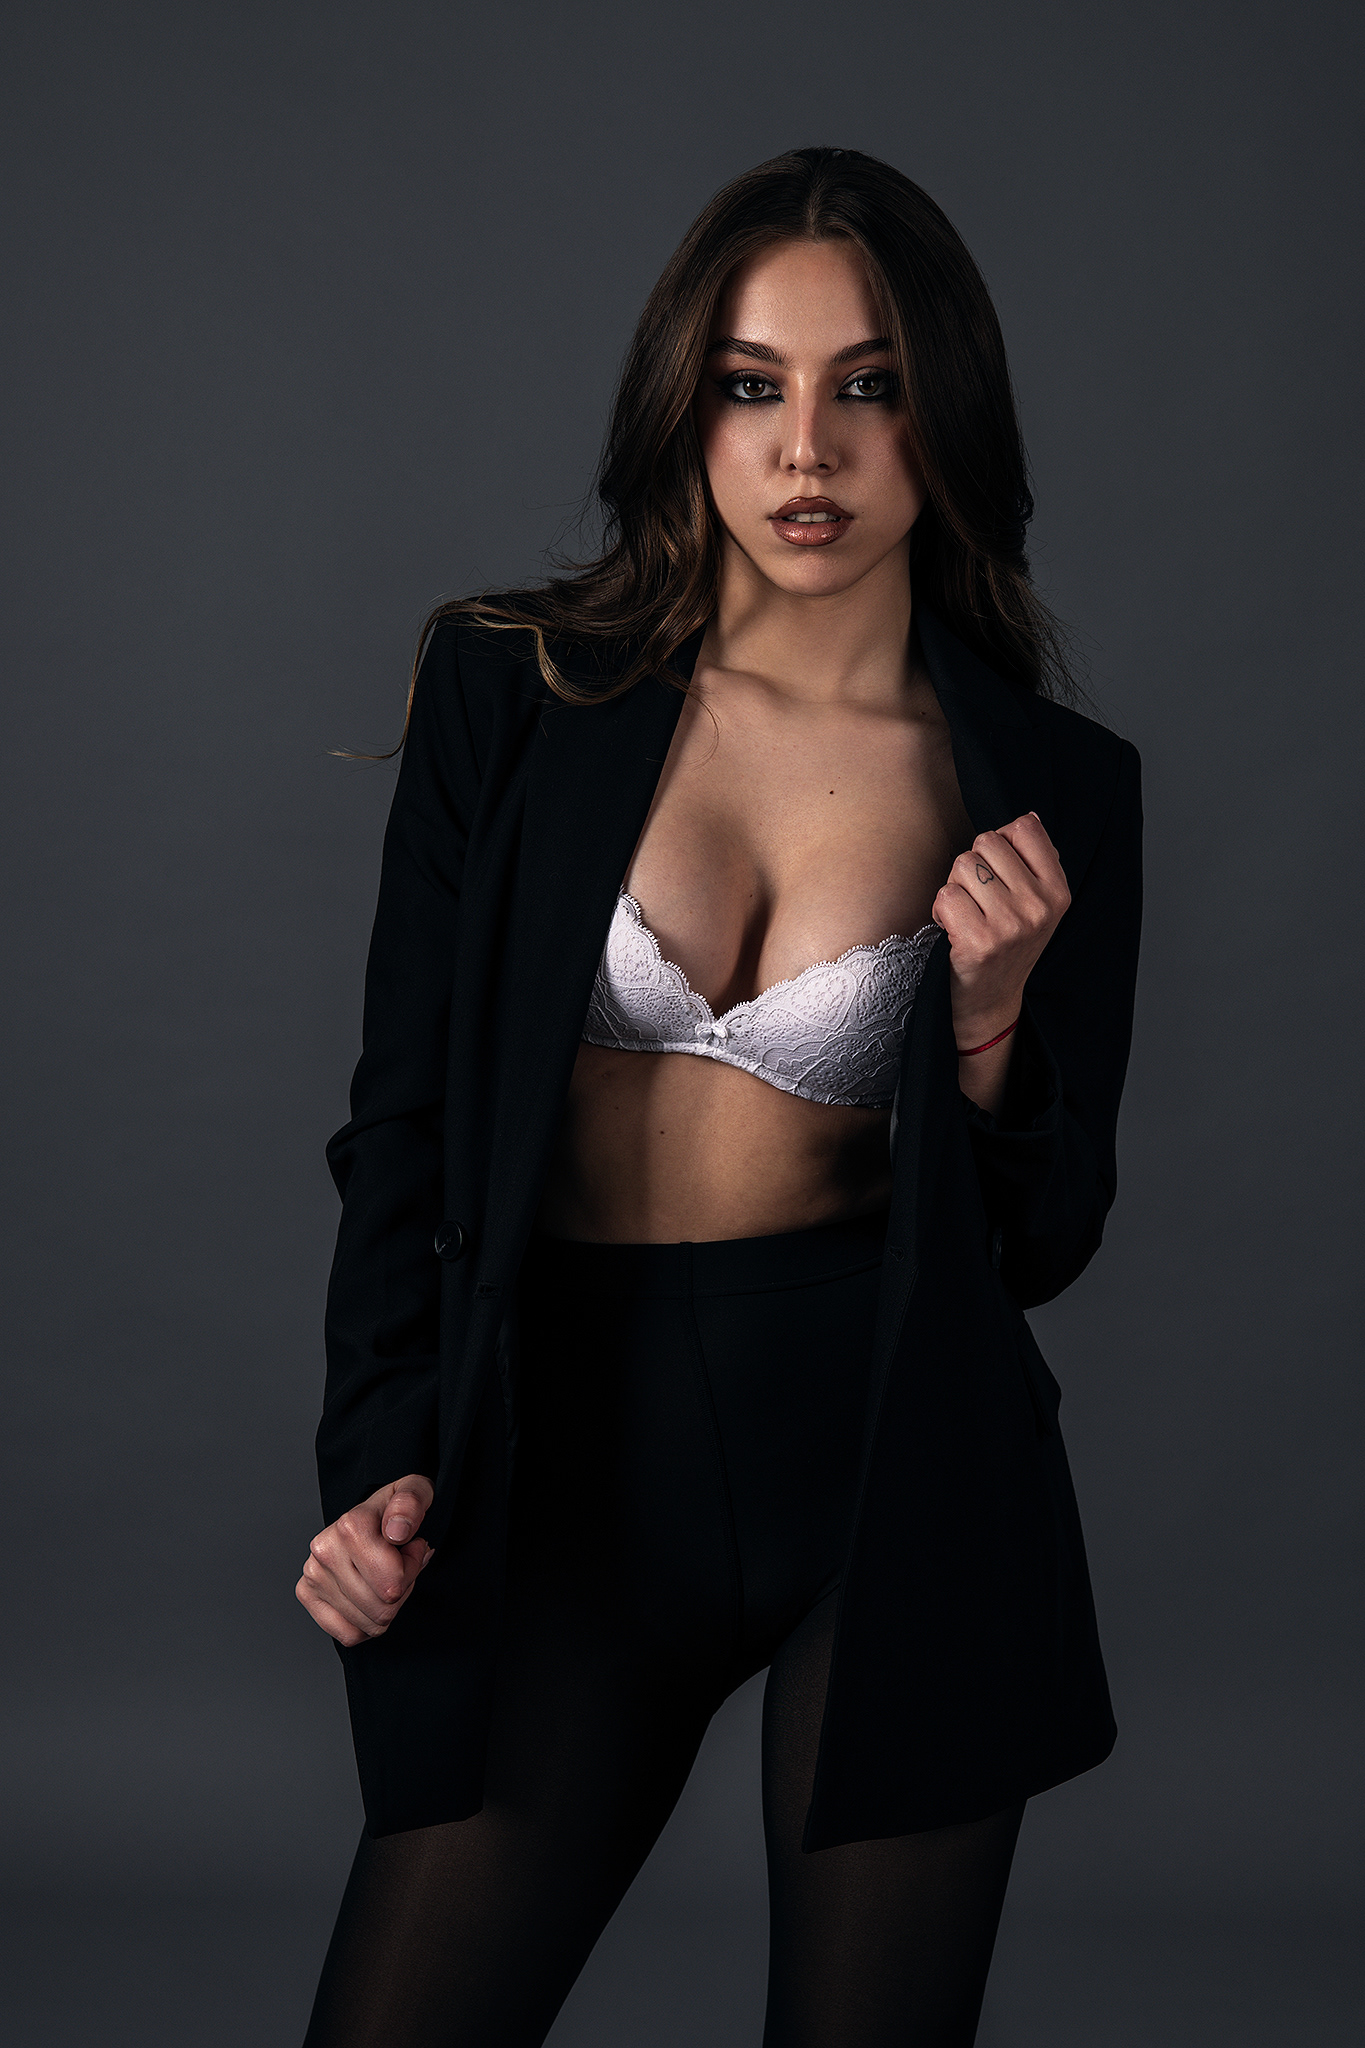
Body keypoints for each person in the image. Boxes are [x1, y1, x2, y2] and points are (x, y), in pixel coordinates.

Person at [295, 146, 1142, 2048]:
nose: (805, 449)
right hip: (565, 1478)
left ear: (945, 414)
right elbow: (400, 1125)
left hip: (897, 1483)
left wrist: (987, 1028)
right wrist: (378, 1459)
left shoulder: (1051, 788)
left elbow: (1041, 1239)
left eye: (869, 384)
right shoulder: (515, 694)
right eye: (752, 385)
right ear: (687, 411)